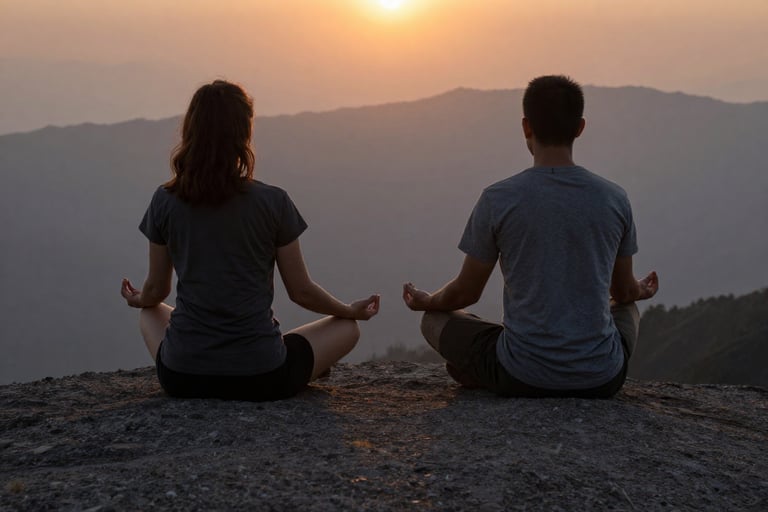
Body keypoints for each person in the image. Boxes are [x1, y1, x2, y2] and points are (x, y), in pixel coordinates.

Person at [121, 80, 380, 401]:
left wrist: (136, 299)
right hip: (262, 377)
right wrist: (347, 309)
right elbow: (301, 291)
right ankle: (298, 360)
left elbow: (156, 291)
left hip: (181, 377)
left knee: (150, 311)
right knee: (347, 328)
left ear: (191, 130)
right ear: (244, 133)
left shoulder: (165, 199)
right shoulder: (273, 201)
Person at [402, 75, 658, 398]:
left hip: (521, 376)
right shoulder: (614, 198)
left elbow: (465, 293)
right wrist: (642, 290)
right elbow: (621, 291)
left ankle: (486, 370)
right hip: (601, 379)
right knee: (629, 308)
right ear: (580, 127)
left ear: (526, 127)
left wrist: (429, 301)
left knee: (433, 320)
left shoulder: (498, 199)